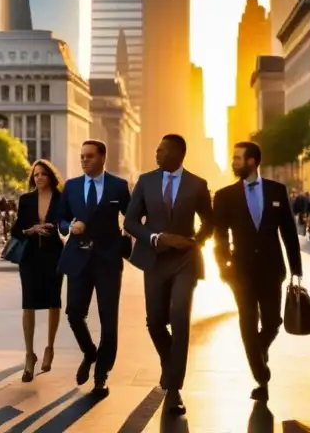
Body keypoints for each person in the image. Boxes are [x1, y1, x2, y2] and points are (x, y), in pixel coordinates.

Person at [125, 134, 214, 416]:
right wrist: (156, 238)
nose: (157, 154)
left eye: (161, 150)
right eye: (157, 149)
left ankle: (175, 389)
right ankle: (170, 363)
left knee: (179, 317)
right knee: (155, 322)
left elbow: (210, 222)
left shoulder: (197, 185)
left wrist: (195, 242)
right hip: (154, 260)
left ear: (178, 153)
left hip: (185, 261)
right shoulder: (145, 181)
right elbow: (130, 221)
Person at [213, 141, 302, 402]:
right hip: (240, 273)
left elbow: (288, 232)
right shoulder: (225, 196)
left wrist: (296, 268)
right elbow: (219, 237)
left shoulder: (277, 191)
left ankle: (258, 349)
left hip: (272, 269)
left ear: (252, 162)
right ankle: (261, 375)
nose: (233, 163)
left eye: (238, 159)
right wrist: (224, 266)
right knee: (247, 322)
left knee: (273, 322)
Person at [56, 140, 131, 399]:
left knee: (109, 319)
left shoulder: (118, 186)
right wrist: (69, 227)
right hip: (78, 258)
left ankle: (102, 372)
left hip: (108, 261)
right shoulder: (72, 186)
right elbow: (61, 218)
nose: (84, 160)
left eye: (89, 156)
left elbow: (131, 217)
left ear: (102, 157)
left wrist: (125, 240)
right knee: (74, 313)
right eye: (82, 157)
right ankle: (90, 352)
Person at [10, 159, 64, 383]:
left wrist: (56, 228)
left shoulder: (62, 199)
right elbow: (15, 229)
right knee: (28, 303)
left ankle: (50, 347)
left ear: (51, 176)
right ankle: (29, 354)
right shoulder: (26, 199)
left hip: (54, 255)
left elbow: (67, 223)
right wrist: (30, 230)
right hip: (30, 257)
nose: (38, 177)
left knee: (54, 301)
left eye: (42, 174)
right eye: (35, 174)